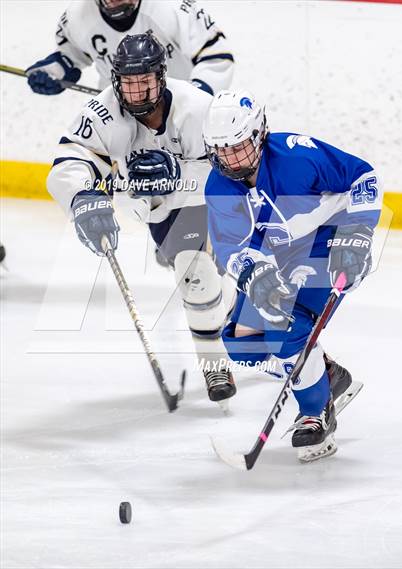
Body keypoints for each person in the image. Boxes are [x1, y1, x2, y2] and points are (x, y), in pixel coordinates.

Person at [47, 32, 237, 405]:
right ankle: (233, 305)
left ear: (161, 77)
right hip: (156, 209)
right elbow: (70, 161)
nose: (135, 93)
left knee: (193, 271)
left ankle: (213, 361)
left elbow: (228, 172)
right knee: (199, 279)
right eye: (127, 84)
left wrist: (178, 171)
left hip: (204, 201)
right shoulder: (102, 112)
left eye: (144, 82)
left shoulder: (198, 108)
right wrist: (84, 197)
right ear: (116, 80)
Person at [202, 90, 383, 462]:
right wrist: (256, 276)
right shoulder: (218, 187)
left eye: (238, 147)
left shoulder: (297, 156)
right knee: (242, 343)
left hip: (329, 247)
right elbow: (230, 249)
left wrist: (358, 233)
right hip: (279, 258)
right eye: (221, 150)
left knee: (285, 329)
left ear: (259, 134)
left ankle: (317, 411)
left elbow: (364, 177)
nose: (230, 159)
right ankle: (326, 374)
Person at [25, 0, 234, 96]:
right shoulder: (77, 16)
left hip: (181, 113)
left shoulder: (172, 7)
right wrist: (51, 73)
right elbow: (70, 56)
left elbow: (215, 55)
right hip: (119, 114)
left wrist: (195, 95)